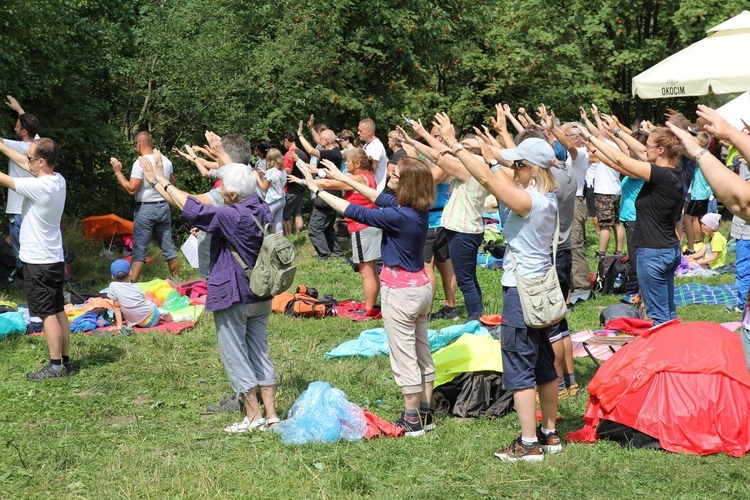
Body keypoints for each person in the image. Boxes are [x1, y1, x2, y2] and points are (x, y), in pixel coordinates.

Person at [439, 111, 561, 461]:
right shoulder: (544, 195)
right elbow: (497, 168)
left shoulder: (528, 201)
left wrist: (452, 143)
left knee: (519, 364)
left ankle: (528, 444)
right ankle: (550, 435)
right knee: (542, 361)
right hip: (539, 288)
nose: (512, 169)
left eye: (517, 165)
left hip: (521, 290)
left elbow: (490, 179)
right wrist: (491, 144)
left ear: (531, 169)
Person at [138, 141, 279, 433]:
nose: (222, 193)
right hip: (262, 291)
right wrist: (220, 158)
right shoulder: (261, 207)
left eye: (226, 191)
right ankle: (272, 414)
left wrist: (156, 180)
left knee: (234, 353)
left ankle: (252, 417)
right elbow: (237, 175)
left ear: (233, 194)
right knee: (260, 349)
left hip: (234, 292)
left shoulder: (230, 216)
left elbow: (187, 204)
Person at [299, 157, 436, 436]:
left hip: (401, 294)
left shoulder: (398, 216)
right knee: (421, 350)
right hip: (421, 288)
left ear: (407, 184)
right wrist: (345, 178)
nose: (391, 177)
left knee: (404, 356)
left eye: (396, 175)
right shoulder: (416, 209)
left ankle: (411, 420)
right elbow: (378, 197)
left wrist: (318, 190)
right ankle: (425, 412)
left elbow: (354, 211)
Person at [587, 124, 683, 325]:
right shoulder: (674, 172)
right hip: (667, 249)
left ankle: (664, 353)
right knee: (667, 310)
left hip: (653, 252)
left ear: (661, 150)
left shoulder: (661, 176)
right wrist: (616, 131)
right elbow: (639, 151)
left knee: (659, 315)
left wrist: (591, 136)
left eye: (648, 146)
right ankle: (674, 347)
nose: (644, 149)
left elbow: (621, 159)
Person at [0, 138, 72, 379]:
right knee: (58, 309)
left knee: (46, 313)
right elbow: (24, 161)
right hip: (53, 258)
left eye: (31, 158)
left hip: (38, 261)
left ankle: (55, 367)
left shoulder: (38, 187)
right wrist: (2, 147)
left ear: (41, 161)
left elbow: (5, 179)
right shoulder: (58, 180)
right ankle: (66, 362)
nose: (27, 161)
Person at [290, 150, 381, 313]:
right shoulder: (368, 177)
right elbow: (337, 178)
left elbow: (328, 184)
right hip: (371, 226)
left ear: (357, 164)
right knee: (372, 269)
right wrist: (318, 171)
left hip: (362, 228)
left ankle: (368, 309)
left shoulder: (356, 179)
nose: (345, 164)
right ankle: (371, 305)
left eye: (348, 162)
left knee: (366, 272)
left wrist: (304, 181)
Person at [111, 132, 180, 282]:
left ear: (139, 144)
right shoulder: (165, 161)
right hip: (163, 207)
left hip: (145, 209)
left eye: (135, 144)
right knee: (169, 249)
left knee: (139, 250)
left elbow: (131, 189)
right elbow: (173, 185)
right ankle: (178, 282)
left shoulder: (140, 163)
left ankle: (132, 284)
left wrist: (118, 172)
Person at [1, 95, 39, 272]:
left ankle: (24, 282)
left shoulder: (18, 147)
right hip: (31, 207)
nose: (14, 128)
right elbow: (31, 126)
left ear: (23, 132)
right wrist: (19, 110)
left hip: (17, 209)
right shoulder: (39, 145)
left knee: (21, 251)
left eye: (17, 127)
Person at [107, 259, 172, 331]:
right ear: (131, 273)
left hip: (136, 323)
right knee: (152, 305)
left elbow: (116, 307)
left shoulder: (112, 286)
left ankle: (158, 316)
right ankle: (166, 316)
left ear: (112, 277)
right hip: (153, 316)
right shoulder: (136, 287)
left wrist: (119, 325)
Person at [253, 148, 286, 234]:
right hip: (281, 200)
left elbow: (264, 188)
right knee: (278, 225)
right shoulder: (283, 171)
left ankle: (268, 243)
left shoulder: (270, 172)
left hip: (272, 202)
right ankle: (280, 244)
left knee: (267, 224)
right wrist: (265, 173)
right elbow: (275, 179)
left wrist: (257, 176)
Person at [281, 131, 308, 235]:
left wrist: (279, 170)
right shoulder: (303, 153)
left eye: (284, 142)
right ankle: (299, 233)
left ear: (286, 141)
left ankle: (288, 237)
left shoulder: (289, 154)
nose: (284, 145)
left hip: (291, 188)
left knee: (284, 215)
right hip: (301, 185)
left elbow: (288, 171)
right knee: (298, 213)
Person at [358, 118, 389, 191]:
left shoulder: (375, 146)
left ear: (369, 132)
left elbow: (372, 169)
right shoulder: (367, 145)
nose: (358, 133)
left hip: (375, 189)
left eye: (360, 131)